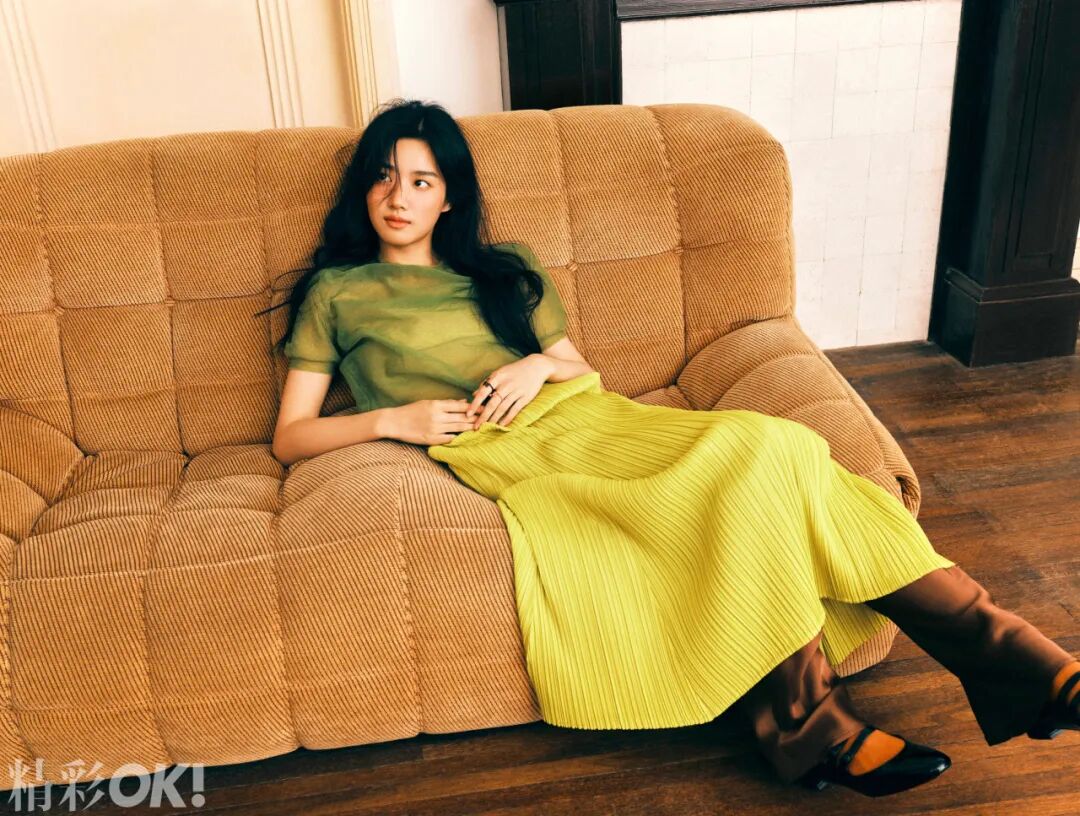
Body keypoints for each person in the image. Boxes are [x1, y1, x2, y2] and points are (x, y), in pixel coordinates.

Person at [261, 98, 1080, 798]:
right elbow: (292, 435)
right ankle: (988, 676)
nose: (398, 196)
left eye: (421, 180)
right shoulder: (337, 293)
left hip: (597, 417)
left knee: (776, 445)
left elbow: (578, 369)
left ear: (449, 197)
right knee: (753, 467)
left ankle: (889, 705)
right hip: (505, 451)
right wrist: (391, 421)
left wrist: (535, 364)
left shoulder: (505, 270)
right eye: (384, 176)